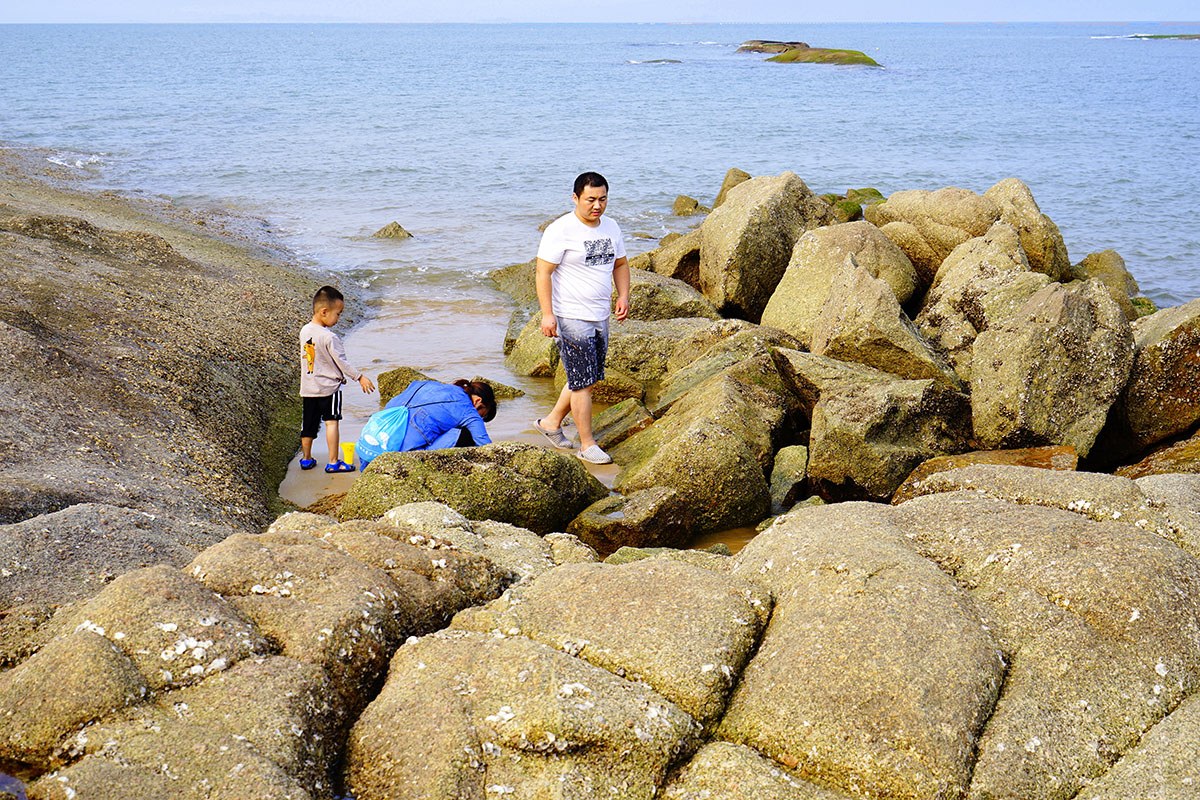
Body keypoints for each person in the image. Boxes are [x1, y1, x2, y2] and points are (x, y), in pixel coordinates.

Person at [531, 171, 629, 465]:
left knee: (586, 377)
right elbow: (542, 272)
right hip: (570, 315)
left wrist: (623, 296)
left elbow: (621, 264)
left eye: (602, 199)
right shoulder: (560, 230)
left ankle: (550, 424)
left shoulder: (611, 227)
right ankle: (587, 445)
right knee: (583, 383)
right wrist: (548, 315)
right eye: (590, 200)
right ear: (575, 198)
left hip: (600, 314)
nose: (597, 205)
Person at [299, 285, 375, 472]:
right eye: (338, 314)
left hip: (309, 387)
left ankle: (306, 459)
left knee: (308, 425)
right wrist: (360, 377)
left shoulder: (304, 331)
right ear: (324, 311)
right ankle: (333, 462)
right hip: (329, 389)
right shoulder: (329, 337)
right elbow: (342, 363)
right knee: (331, 422)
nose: (338, 318)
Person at [357, 379, 495, 467]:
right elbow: (485, 445)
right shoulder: (468, 410)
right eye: (483, 415)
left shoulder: (426, 384)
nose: (479, 419)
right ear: (478, 402)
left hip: (366, 449)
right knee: (466, 434)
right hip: (398, 458)